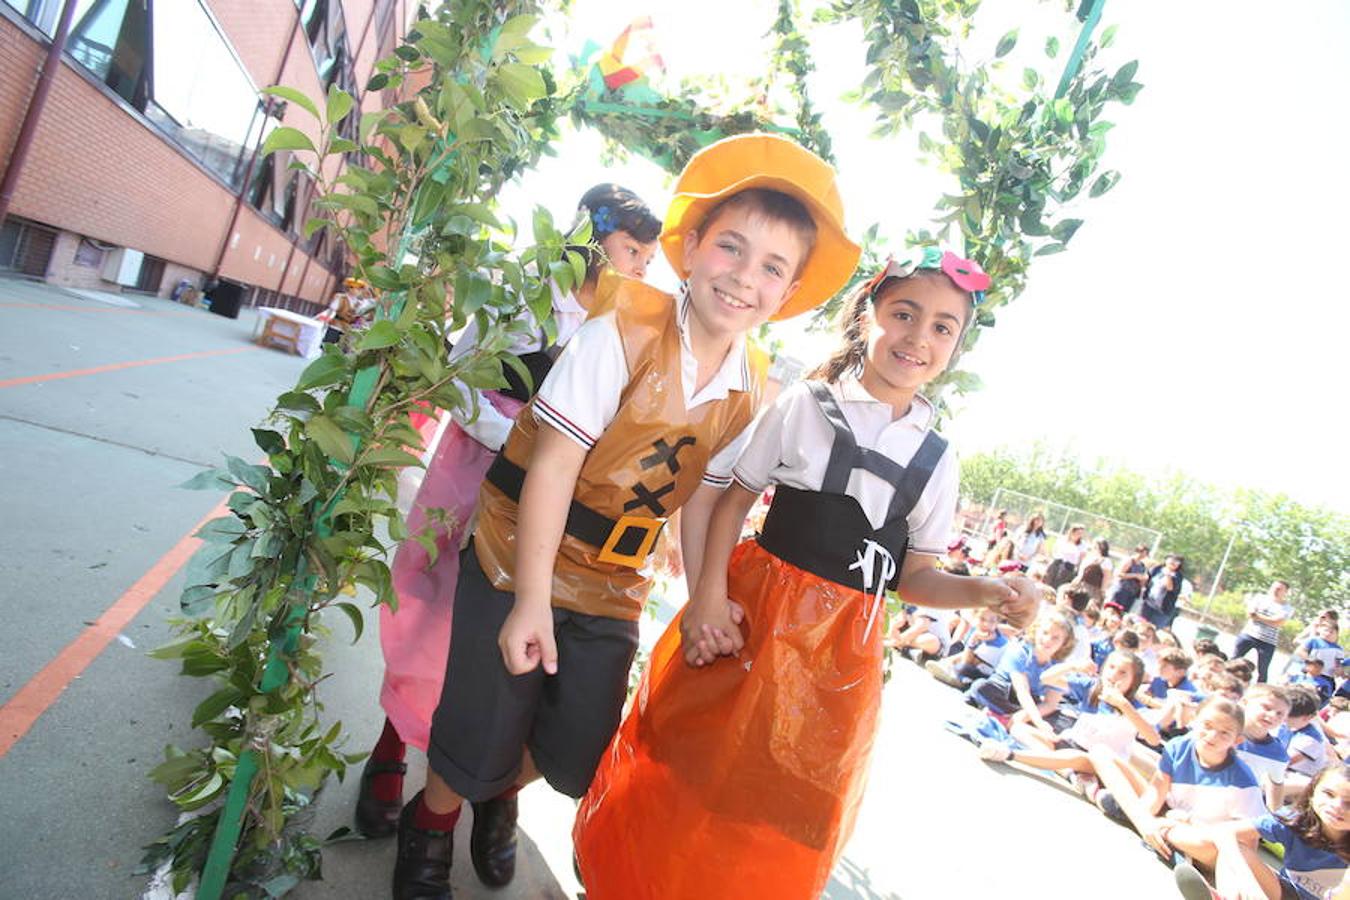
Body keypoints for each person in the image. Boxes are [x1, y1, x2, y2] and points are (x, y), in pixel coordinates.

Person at [390, 134, 860, 899]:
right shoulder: (620, 330)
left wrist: (708, 591)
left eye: (772, 266)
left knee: (578, 747)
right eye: (730, 248)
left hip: (614, 578)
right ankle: (434, 821)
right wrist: (532, 599)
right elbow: (553, 465)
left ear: (791, 288)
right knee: (484, 717)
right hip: (521, 551)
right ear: (691, 245)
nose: (744, 277)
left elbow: (706, 495)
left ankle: (499, 792)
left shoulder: (752, 382)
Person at [573, 247, 1041, 899]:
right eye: (904, 313)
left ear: (956, 347)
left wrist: (983, 592)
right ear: (869, 315)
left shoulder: (937, 459)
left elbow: (915, 577)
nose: (918, 336)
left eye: (942, 327)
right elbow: (733, 498)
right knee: (683, 763)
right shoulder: (805, 405)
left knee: (772, 816)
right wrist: (708, 597)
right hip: (748, 621)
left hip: (836, 671)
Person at [354, 185, 661, 839]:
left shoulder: (624, 331)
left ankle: (495, 792)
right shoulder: (518, 294)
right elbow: (458, 383)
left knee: (510, 643)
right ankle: (391, 746)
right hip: (470, 477)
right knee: (433, 624)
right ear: (588, 237)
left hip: (545, 511)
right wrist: (523, 447)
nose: (640, 268)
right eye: (631, 250)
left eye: (647, 258)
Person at [1089, 696, 1266, 869]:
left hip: (1203, 838)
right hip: (1168, 815)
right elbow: (1155, 796)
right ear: (1194, 721)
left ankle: (1157, 833)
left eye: (1224, 733)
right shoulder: (1178, 747)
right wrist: (1146, 819)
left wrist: (1188, 825)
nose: (1213, 735)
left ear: (1237, 741)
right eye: (1207, 725)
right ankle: (1151, 831)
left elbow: (1248, 845)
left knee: (1211, 847)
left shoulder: (1243, 780)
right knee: (1100, 752)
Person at [1198, 763, 1350, 900]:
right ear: (1312, 792)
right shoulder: (1296, 822)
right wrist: (1249, 883)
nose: (1336, 806)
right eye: (1329, 794)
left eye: (1349, 803)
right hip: (1285, 891)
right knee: (1235, 851)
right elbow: (1225, 831)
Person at [1234, 580, 1294, 684]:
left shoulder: (1287, 608)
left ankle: (1260, 689)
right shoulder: (1259, 598)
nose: (1275, 590)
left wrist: (1259, 617)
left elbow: (1278, 622)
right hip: (1249, 634)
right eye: (1274, 587)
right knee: (1234, 660)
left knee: (1263, 670)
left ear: (1285, 592)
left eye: (1279, 589)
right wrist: (1268, 619)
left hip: (1267, 641)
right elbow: (1251, 614)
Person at [1141, 553, 1186, 629]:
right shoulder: (1157, 569)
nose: (1174, 562)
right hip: (1147, 603)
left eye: (1177, 561)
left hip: (1162, 609)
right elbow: (1146, 579)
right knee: (1140, 625)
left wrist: (1168, 575)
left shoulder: (1178, 576)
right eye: (1172, 559)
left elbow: (1170, 588)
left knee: (1153, 629)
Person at [1107, 544, 1151, 614]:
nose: (1142, 555)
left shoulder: (1142, 566)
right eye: (1141, 552)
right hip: (1122, 589)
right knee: (1113, 610)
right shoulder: (1130, 561)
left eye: (1145, 553)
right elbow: (1119, 574)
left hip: (1132, 593)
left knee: (1122, 613)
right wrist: (1135, 575)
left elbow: (1141, 582)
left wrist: (1143, 579)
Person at [1046, 523, 1087, 588]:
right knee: (1048, 581)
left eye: (1081, 533)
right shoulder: (1063, 539)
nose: (1080, 535)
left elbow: (1081, 558)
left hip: (1068, 568)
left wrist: (1077, 570)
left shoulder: (1082, 545)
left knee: (1059, 585)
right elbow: (1055, 550)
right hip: (1057, 563)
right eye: (1078, 532)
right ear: (1072, 532)